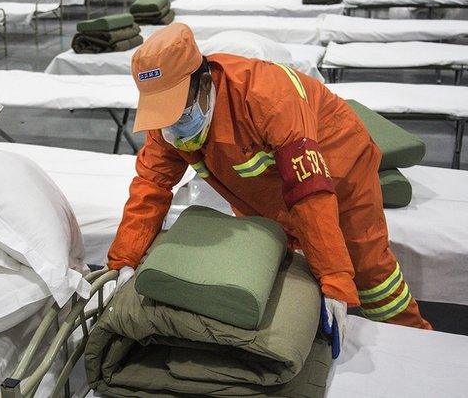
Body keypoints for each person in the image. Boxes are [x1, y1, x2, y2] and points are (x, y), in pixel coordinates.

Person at [107, 24, 432, 360]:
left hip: (338, 169)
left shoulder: (268, 99)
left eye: (179, 113)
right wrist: (124, 259)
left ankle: (420, 346)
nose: (173, 128)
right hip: (260, 187)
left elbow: (310, 192)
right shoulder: (169, 123)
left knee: (370, 270)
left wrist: (335, 278)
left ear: (205, 83)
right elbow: (152, 183)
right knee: (283, 265)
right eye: (163, 117)